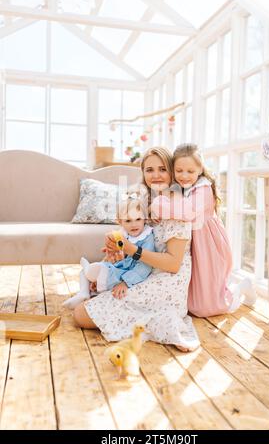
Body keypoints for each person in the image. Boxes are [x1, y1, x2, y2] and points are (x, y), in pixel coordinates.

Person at [73, 147, 200, 352]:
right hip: (144, 272)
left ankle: (164, 321)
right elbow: (135, 238)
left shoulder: (177, 208)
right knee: (88, 303)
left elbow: (173, 264)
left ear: (171, 172)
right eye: (149, 170)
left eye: (162, 169)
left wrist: (132, 251)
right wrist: (117, 249)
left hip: (167, 280)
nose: (156, 175)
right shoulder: (148, 204)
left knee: (80, 314)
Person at [151, 143, 256, 317]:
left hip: (208, 244)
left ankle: (241, 288)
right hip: (193, 243)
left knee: (205, 308)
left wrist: (157, 206)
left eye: (190, 171)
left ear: (200, 169)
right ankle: (226, 289)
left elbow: (187, 212)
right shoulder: (180, 188)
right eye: (179, 171)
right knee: (194, 302)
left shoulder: (204, 189)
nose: (184, 176)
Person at [63, 195, 155, 309]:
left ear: (145, 219)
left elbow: (145, 266)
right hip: (118, 267)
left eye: (138, 219)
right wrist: (111, 254)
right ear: (120, 221)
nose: (134, 224)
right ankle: (83, 293)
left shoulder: (147, 237)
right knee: (84, 272)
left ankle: (92, 286)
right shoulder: (122, 234)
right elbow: (117, 255)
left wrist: (126, 282)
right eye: (128, 220)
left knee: (93, 270)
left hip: (126, 275)